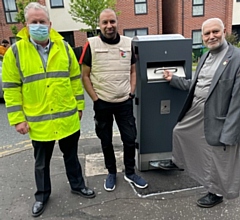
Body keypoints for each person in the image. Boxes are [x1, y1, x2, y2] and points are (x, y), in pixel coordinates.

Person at [2, 2, 95, 217]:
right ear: (26, 25)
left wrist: (79, 106)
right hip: (39, 122)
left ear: (50, 24)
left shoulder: (64, 47)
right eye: (33, 22)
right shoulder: (15, 52)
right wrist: (17, 119)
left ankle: (77, 185)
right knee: (41, 163)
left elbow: (74, 79)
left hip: (67, 117)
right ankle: (42, 196)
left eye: (42, 22)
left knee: (71, 156)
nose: (38, 25)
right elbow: (11, 89)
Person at [159, 18, 240, 208]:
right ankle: (178, 162)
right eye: (207, 33)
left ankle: (216, 193)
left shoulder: (236, 58)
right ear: (202, 37)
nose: (211, 36)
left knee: (217, 156)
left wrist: (230, 132)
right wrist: (174, 79)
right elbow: (195, 85)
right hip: (197, 108)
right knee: (179, 131)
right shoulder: (205, 56)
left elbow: (238, 101)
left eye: (215, 32)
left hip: (218, 114)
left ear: (224, 31)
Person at [80, 8, 148, 192]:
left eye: (112, 22)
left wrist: (131, 92)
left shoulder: (128, 43)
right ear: (100, 25)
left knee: (129, 138)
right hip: (102, 103)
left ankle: (130, 172)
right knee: (106, 139)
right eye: (105, 22)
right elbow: (84, 76)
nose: (109, 26)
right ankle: (111, 172)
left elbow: (133, 71)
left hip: (124, 102)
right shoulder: (91, 44)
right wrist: (95, 99)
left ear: (117, 22)